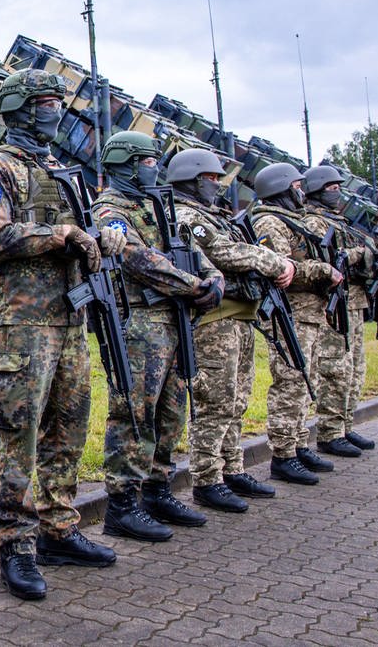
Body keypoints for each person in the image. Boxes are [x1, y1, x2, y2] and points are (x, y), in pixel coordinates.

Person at [0, 68, 121, 602]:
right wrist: (59, 234)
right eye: (44, 101)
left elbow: (88, 231)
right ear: (19, 107)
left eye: (58, 101)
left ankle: (59, 527)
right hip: (24, 323)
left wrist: (104, 239)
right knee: (20, 430)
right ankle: (16, 544)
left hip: (72, 318)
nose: (54, 110)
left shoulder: (64, 171)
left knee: (69, 426)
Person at [93, 131, 223, 542]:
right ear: (128, 164)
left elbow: (192, 253)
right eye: (149, 161)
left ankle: (157, 488)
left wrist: (214, 279)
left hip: (173, 320)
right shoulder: (109, 211)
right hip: (140, 325)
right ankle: (122, 503)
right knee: (135, 414)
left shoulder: (157, 207)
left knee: (171, 411)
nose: (155, 168)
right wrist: (194, 286)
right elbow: (137, 260)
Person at [165, 149, 293, 512]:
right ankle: (207, 477)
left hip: (240, 317)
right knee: (216, 400)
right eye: (211, 178)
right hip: (214, 322)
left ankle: (231, 467)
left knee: (237, 398)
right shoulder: (187, 215)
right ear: (191, 179)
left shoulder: (216, 215)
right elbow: (222, 252)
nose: (217, 185)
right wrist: (273, 261)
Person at [250, 163, 345, 484]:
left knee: (307, 381)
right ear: (282, 189)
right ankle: (283, 454)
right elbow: (282, 270)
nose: (302, 191)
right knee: (290, 383)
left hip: (310, 313)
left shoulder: (296, 220)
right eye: (297, 185)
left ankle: (298, 442)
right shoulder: (269, 221)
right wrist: (322, 271)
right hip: (289, 314)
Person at [302, 166, 377, 456]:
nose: (337, 191)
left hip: (353, 300)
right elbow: (334, 258)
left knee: (354, 368)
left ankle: (345, 424)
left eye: (338, 186)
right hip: (334, 304)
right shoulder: (315, 222)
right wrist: (359, 253)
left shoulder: (340, 221)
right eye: (332, 187)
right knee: (334, 367)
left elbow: (363, 250)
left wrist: (360, 253)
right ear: (318, 190)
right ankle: (330, 431)